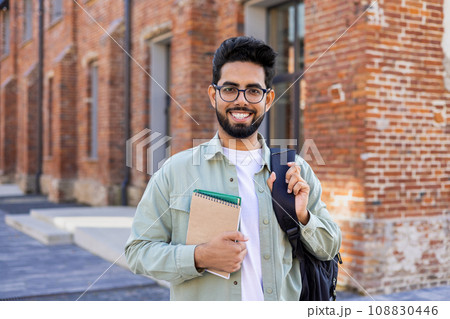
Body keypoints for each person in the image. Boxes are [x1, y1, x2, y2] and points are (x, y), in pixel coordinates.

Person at [125, 36, 341, 301]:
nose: (241, 101)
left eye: (253, 90)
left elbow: (330, 248)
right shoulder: (175, 172)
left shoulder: (295, 170)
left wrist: (303, 216)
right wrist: (199, 256)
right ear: (213, 95)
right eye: (229, 89)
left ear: (269, 99)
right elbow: (138, 252)